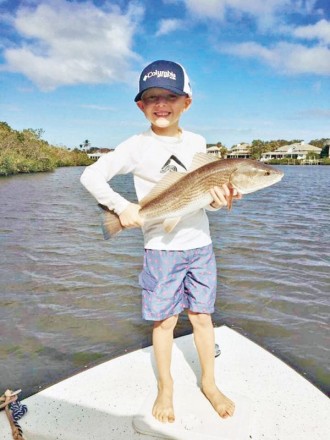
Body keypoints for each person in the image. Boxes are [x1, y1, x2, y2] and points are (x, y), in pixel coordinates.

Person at [80, 60, 239, 423]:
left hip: (200, 246)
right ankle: (165, 386)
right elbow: (91, 176)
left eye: (170, 95)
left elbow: (203, 200)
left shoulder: (199, 143)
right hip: (160, 250)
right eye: (151, 97)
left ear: (187, 102)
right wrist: (123, 208)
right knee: (164, 322)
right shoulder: (135, 146)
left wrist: (216, 202)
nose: (161, 103)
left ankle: (209, 384)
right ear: (140, 105)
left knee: (202, 317)